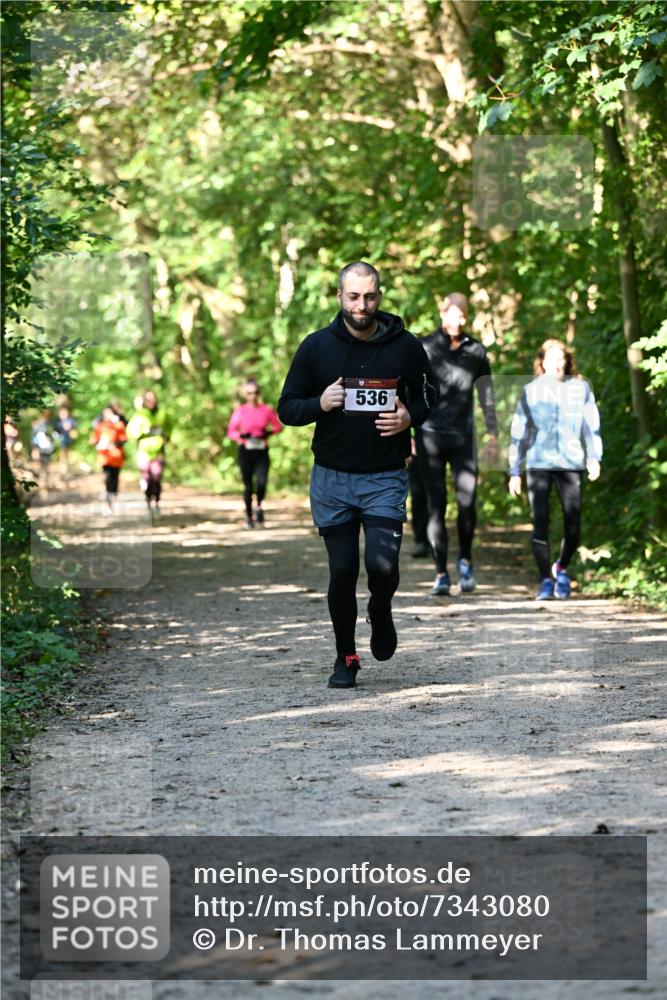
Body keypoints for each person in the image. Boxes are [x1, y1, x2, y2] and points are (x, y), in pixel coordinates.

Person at [278, 261, 438, 689]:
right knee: (343, 570)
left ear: (379, 297)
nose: (361, 305)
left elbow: (429, 393)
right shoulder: (315, 348)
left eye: (369, 297)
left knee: (381, 567)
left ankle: (381, 607)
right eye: (353, 297)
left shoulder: (404, 346)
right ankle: (345, 656)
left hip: (384, 477)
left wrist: (410, 416)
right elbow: (287, 408)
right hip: (332, 480)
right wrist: (320, 403)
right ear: (339, 297)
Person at [416, 292, 498, 596]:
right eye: (453, 313)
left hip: (464, 436)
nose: (457, 320)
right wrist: (409, 434)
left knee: (467, 502)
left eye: (463, 315)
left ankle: (465, 561)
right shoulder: (424, 346)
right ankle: (440, 573)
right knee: (436, 505)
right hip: (430, 435)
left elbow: (487, 393)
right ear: (442, 312)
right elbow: (411, 390)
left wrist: (492, 434)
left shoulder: (476, 350)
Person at [508, 338, 602, 600]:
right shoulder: (530, 391)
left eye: (561, 359)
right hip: (538, 464)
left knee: (574, 524)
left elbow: (590, 425)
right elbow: (520, 432)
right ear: (542, 363)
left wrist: (594, 457)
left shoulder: (581, 388)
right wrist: (514, 470)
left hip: (571, 464)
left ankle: (560, 566)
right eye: (551, 360)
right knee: (540, 522)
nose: (557, 364)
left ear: (567, 361)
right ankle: (545, 581)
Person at [227, 379, 283, 528]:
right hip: (246, 450)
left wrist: (268, 433)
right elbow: (231, 431)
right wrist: (240, 437)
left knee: (262, 482)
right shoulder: (240, 411)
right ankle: (248, 517)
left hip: (261, 451)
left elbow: (278, 426)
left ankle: (259, 505)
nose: (253, 395)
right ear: (245, 395)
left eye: (255, 392)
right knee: (248, 485)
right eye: (249, 393)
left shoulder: (267, 410)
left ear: (259, 393)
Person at [126, 390, 172, 514]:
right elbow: (130, 432)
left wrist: (166, 437)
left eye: (153, 398)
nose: (151, 401)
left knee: (156, 477)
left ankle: (156, 502)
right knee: (147, 478)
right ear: (144, 401)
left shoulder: (163, 413)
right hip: (144, 453)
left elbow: (169, 427)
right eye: (148, 399)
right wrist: (143, 433)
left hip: (158, 451)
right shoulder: (139, 415)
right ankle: (147, 501)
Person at [90, 406, 127, 514]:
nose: (107, 415)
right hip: (104, 458)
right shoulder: (100, 426)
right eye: (105, 413)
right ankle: (108, 503)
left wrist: (114, 444)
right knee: (107, 479)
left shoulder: (119, 425)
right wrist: (99, 443)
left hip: (116, 457)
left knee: (115, 479)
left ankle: (113, 497)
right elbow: (93, 440)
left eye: (109, 413)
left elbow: (124, 439)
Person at [54, 405, 78, 473]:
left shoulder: (71, 420)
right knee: (62, 451)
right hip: (61, 439)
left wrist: (70, 429)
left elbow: (74, 429)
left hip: (69, 439)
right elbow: (55, 428)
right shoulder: (57, 421)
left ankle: (68, 465)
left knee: (68, 451)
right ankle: (62, 466)